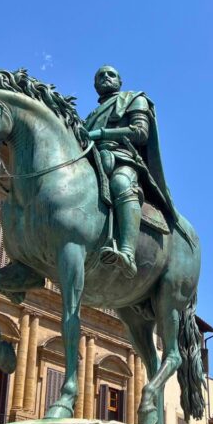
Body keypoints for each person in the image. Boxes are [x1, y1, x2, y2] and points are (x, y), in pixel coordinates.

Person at [83, 65, 180, 278]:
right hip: (93, 159)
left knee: (121, 184)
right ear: (94, 85)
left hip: (122, 158)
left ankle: (127, 253)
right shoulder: (90, 116)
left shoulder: (134, 98)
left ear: (120, 81)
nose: (105, 78)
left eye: (111, 74)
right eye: (100, 76)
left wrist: (100, 133)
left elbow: (140, 132)